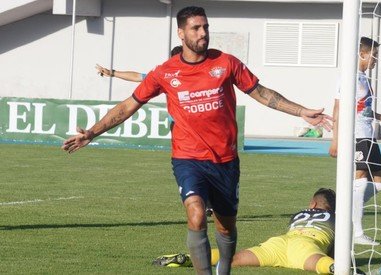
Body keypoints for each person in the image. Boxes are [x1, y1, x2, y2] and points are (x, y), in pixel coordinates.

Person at [62, 6, 332, 275]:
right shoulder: (164, 73)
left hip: (225, 161)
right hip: (188, 158)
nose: (203, 33)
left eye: (206, 27)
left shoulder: (226, 63)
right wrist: (92, 133)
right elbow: (128, 106)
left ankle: (224, 266)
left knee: (226, 226)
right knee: (197, 214)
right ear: (181, 33)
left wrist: (301, 111)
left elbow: (261, 93)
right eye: (196, 28)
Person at [153, 188, 337, 274]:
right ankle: (336, 268)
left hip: (279, 242)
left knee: (232, 259)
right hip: (306, 245)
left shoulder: (299, 214)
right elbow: (334, 247)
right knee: (321, 263)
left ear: (312, 204)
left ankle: (185, 258)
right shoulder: (337, 218)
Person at [328, 37, 381, 246]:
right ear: (363, 54)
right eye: (374, 56)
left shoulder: (364, 79)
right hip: (356, 135)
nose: (376, 60)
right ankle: (357, 233)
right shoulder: (348, 78)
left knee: (378, 185)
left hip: (369, 134)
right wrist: (335, 139)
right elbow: (338, 108)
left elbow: (364, 108)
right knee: (360, 179)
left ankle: (344, 208)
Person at [95, 46, 183, 82]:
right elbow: (137, 77)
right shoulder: (166, 75)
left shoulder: (196, 73)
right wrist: (113, 73)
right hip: (176, 121)